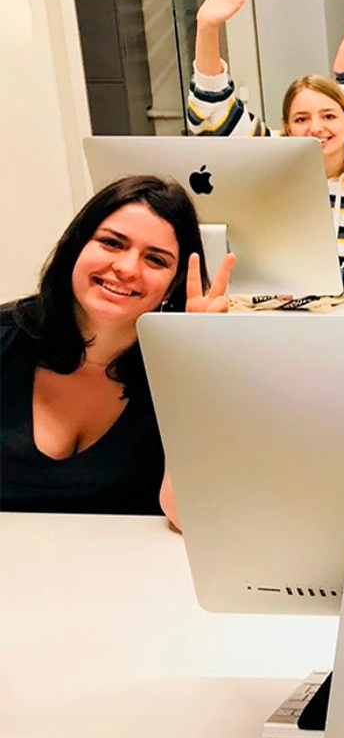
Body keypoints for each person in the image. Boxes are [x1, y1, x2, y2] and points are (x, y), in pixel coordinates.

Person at [1, 176, 234, 522]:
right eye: (112, 243)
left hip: (121, 572)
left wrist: (195, 357)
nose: (126, 268)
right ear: (76, 247)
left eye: (156, 260)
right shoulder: (6, 338)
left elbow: (187, 517)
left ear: (173, 285)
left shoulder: (177, 368)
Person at [186, 0, 344, 297]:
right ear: (286, 128)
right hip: (279, 307)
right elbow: (213, 113)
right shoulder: (272, 157)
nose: (316, 128)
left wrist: (321, 283)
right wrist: (207, 28)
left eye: (328, 116)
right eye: (301, 120)